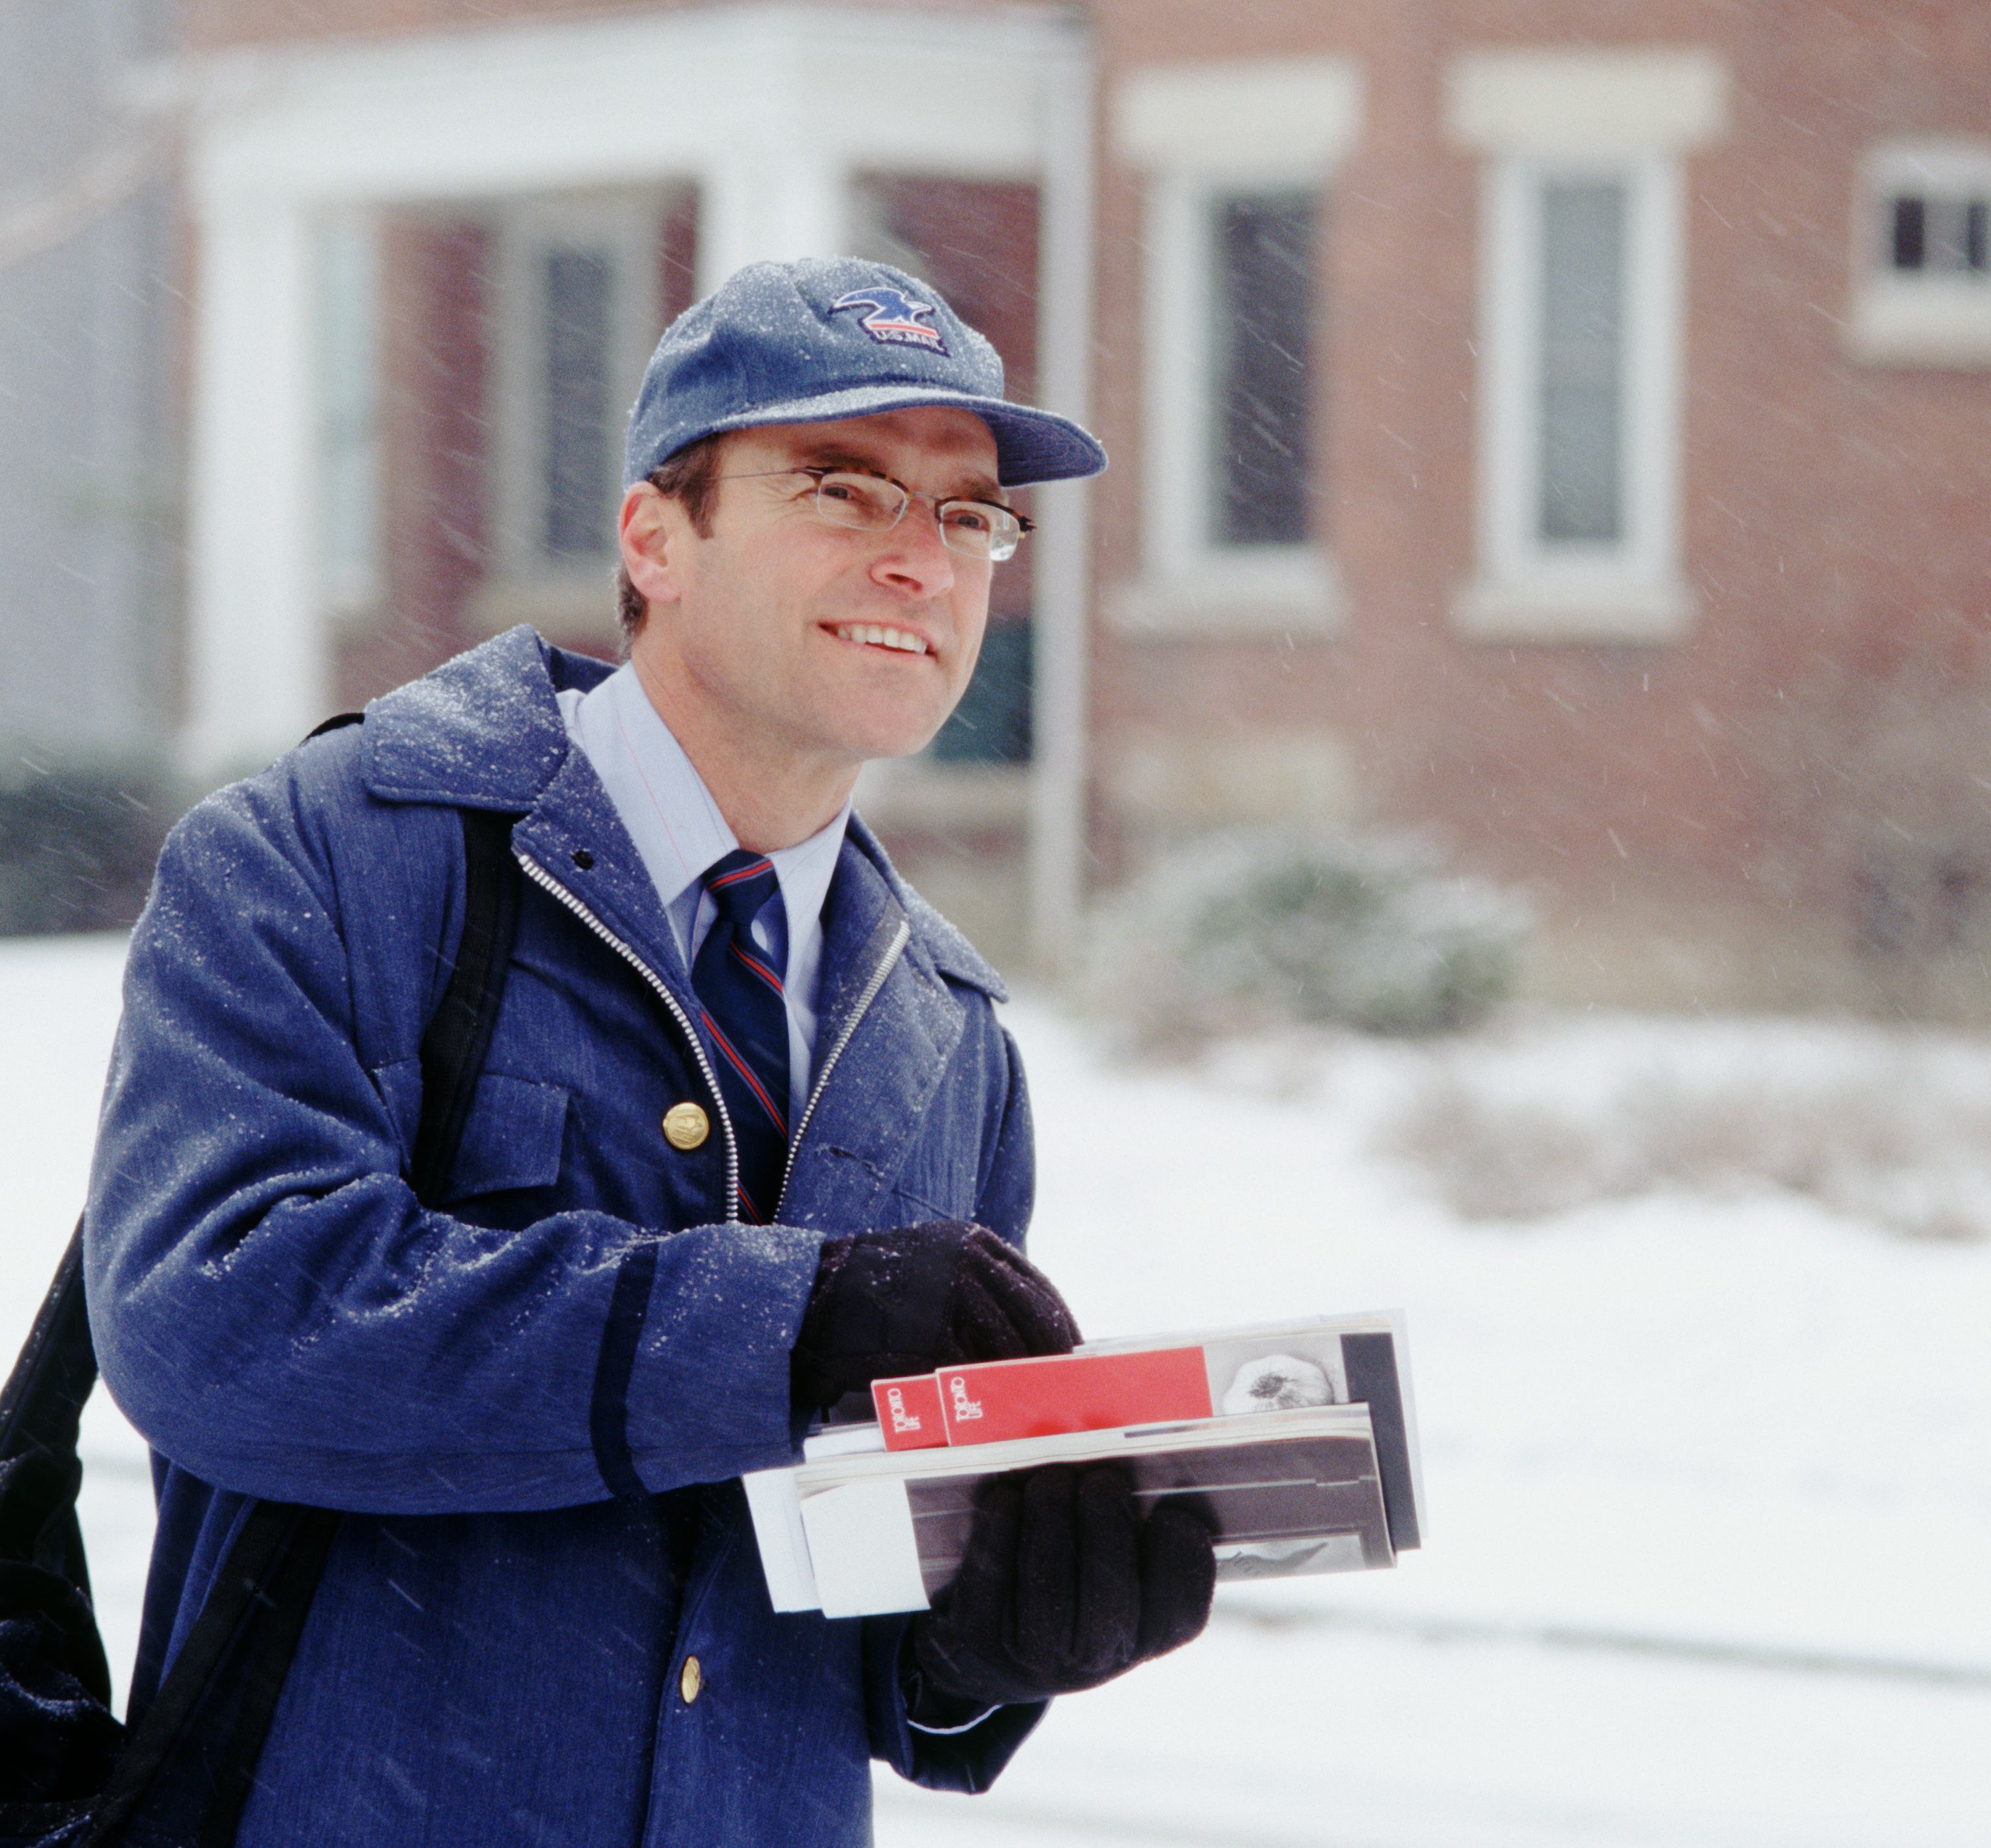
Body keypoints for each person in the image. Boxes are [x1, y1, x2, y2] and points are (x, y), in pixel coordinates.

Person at [84, 256, 1213, 1846]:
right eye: (846, 487)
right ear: (654, 536)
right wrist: (779, 1329)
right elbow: (215, 1319)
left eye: (968, 517)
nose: (924, 562)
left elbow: (863, 1620)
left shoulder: (947, 1035)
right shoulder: (332, 860)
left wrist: (990, 1641)